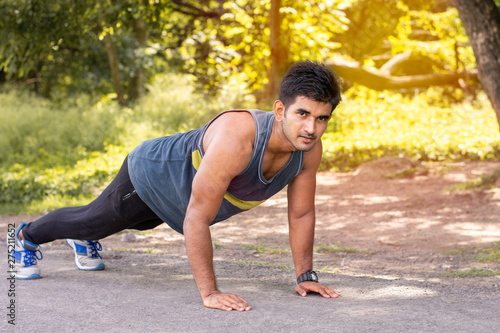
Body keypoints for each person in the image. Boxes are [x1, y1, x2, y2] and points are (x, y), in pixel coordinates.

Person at [13, 60, 342, 311]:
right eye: (303, 113)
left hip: (180, 200)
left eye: (322, 118)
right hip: (151, 173)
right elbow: (197, 217)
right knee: (95, 219)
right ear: (280, 109)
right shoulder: (238, 138)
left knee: (137, 225)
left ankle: (85, 238)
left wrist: (305, 276)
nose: (311, 128)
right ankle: (26, 238)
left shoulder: (307, 151)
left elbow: (301, 214)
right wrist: (210, 292)